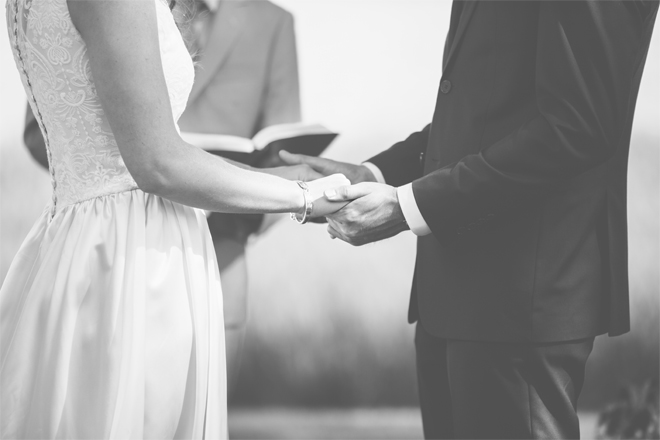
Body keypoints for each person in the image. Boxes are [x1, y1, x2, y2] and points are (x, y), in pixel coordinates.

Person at [282, 1, 659, 438]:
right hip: (454, 299)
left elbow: (577, 126)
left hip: (522, 307)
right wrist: (374, 174)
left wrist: (408, 206)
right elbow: (483, 116)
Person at [1, 0, 347, 437]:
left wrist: (284, 178)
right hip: (136, 261)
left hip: (79, 243)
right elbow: (158, 163)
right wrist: (305, 195)